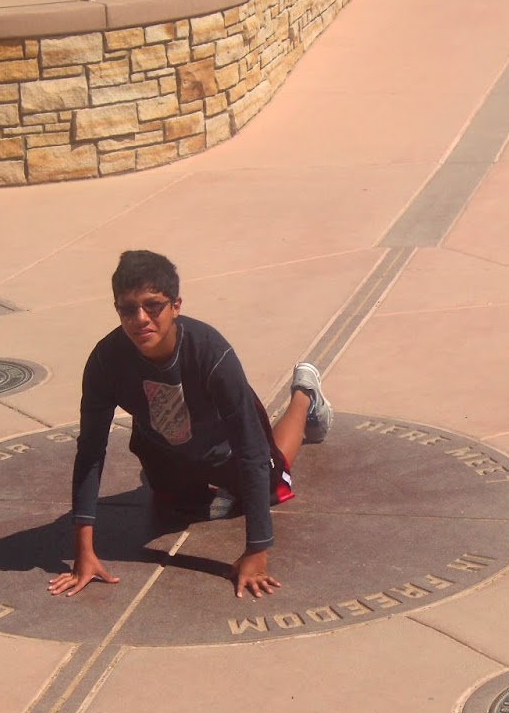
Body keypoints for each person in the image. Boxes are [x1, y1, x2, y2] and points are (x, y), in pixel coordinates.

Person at [48, 250, 332, 603]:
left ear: (176, 306)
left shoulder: (211, 353)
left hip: (223, 443)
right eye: (127, 308)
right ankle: (195, 479)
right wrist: (83, 553)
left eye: (153, 305)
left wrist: (257, 549)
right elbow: (90, 451)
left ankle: (304, 394)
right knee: (174, 508)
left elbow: (252, 451)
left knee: (272, 484)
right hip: (163, 450)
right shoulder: (106, 361)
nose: (140, 319)